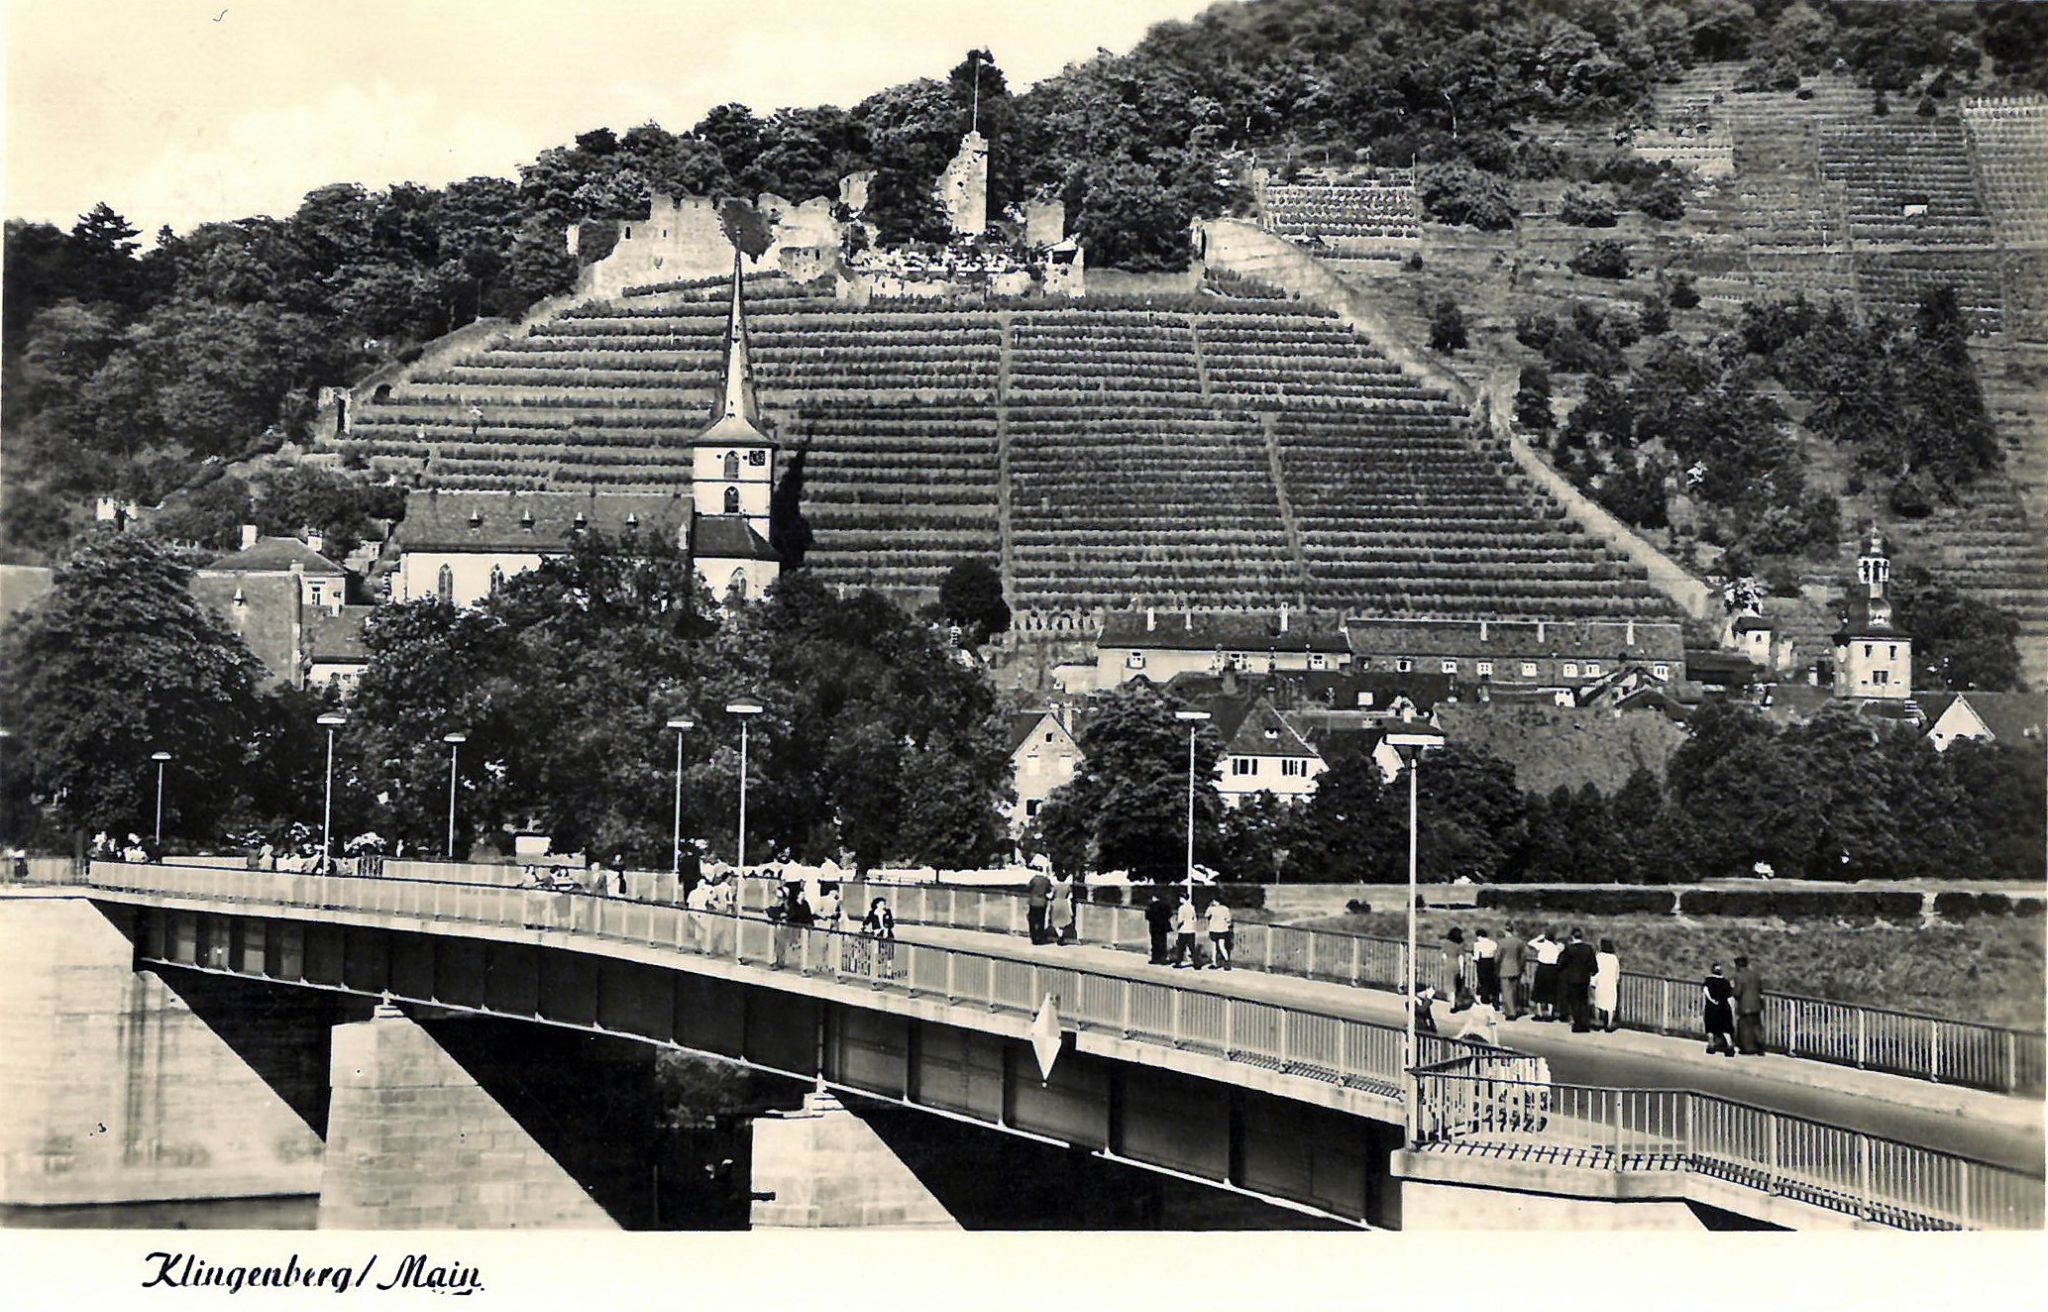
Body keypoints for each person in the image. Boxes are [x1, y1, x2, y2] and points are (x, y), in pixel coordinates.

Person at [1557, 929, 1599, 1033]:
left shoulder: (1569, 950)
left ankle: (1577, 1023)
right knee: (1584, 1001)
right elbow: (1594, 966)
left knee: (1574, 1002)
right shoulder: (1588, 949)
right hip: (1584, 979)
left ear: (1572, 937)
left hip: (1571, 979)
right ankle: (1585, 1024)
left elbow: (1561, 964)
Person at [1732, 954, 1766, 1055]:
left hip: (1745, 1005)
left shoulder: (1738, 976)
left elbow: (1737, 992)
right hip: (1756, 1005)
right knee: (1756, 1026)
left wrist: (1732, 992)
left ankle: (1748, 1048)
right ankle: (1760, 1046)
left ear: (1738, 965)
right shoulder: (1755, 975)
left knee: (1745, 1027)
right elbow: (1760, 990)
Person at [1703, 964, 1737, 1056]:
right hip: (1724, 1007)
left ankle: (1711, 1046)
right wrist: (1732, 1009)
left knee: (1710, 1027)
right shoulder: (1725, 982)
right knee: (1725, 1027)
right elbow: (1730, 997)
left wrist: (1712, 1000)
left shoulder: (1708, 980)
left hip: (1712, 1007)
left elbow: (1706, 992)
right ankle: (1730, 1047)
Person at [1530, 929, 1563, 1021]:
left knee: (1539, 991)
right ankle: (1550, 1013)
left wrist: (1539, 938)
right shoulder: (1556, 947)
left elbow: (1531, 943)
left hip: (1542, 968)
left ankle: (1539, 1013)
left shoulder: (1542, 945)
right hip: (1552, 969)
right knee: (1551, 991)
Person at [1496, 924, 1526, 1020]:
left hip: (1504, 969)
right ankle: (1514, 1009)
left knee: (1506, 992)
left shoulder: (1502, 942)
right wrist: (1521, 967)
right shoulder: (1519, 942)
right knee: (1514, 991)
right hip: (1516, 968)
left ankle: (1510, 1012)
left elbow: (1497, 957)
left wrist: (1496, 967)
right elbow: (1523, 956)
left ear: (1506, 931)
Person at [1593, 938, 1621, 1032]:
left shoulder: (1599, 957)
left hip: (1601, 983)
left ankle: (1597, 1022)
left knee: (1598, 1004)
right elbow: (1617, 973)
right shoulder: (1614, 958)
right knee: (1610, 1006)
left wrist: (1593, 982)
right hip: (1610, 984)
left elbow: (1595, 970)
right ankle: (1608, 1024)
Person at [1445, 928, 1473, 1012]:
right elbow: (1461, 957)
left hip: (1448, 964)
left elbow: (1444, 955)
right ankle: (1457, 1002)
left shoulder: (1446, 943)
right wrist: (1462, 970)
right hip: (1456, 964)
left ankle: (1452, 1004)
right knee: (1456, 985)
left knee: (1450, 985)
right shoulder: (1460, 944)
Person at [1170, 895, 1202, 968]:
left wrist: (1177, 924)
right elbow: (1195, 919)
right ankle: (1197, 963)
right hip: (1191, 929)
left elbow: (1180, 920)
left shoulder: (1181, 908)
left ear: (1183, 899)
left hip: (1183, 930)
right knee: (1192, 948)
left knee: (1181, 948)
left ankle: (1178, 962)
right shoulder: (1192, 907)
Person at [1473, 927, 1500, 1007]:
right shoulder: (1493, 943)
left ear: (1479, 936)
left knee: (1483, 981)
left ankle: (1485, 999)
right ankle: (1495, 1001)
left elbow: (1476, 957)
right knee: (1491, 981)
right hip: (1491, 962)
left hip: (1482, 962)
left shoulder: (1477, 944)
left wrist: (1473, 958)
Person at [1144, 893, 1174, 965]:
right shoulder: (1165, 905)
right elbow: (1170, 914)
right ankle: (1163, 959)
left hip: (1154, 927)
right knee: (1163, 943)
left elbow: (1147, 916)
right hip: (1163, 927)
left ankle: (1155, 958)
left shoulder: (1151, 906)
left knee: (1155, 943)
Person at [1026, 866, 1053, 944]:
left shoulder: (1034, 879)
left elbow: (1028, 888)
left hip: (1033, 901)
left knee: (1032, 920)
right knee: (1041, 920)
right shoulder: (1046, 880)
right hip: (1042, 902)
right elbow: (1049, 890)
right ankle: (1040, 937)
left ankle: (1033, 937)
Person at [1206, 895, 1234, 969]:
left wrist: (1209, 906)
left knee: (1214, 947)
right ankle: (1227, 962)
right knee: (1222, 946)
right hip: (1223, 930)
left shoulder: (1211, 909)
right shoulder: (1225, 909)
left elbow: (1206, 915)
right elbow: (1228, 920)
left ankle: (1214, 963)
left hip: (1213, 929)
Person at [1049, 874, 1075, 946]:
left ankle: (1059, 936)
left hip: (1057, 903)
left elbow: (1051, 895)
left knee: (1056, 920)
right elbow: (1071, 896)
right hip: (1064, 902)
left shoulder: (1056, 886)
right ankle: (1062, 936)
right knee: (1063, 921)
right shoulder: (1068, 887)